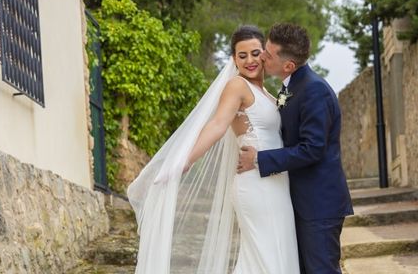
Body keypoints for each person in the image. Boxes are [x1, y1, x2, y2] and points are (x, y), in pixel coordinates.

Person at [127, 25, 300, 274]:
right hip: (257, 186)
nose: (250, 60)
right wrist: (184, 160)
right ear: (234, 60)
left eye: (254, 53)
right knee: (266, 259)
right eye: (242, 56)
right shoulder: (237, 86)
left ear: (264, 54)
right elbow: (218, 124)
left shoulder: (270, 95)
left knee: (274, 257)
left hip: (278, 186)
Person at [238, 23, 353, 274]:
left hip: (319, 205)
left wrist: (260, 159)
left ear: (288, 65)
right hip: (301, 201)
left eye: (267, 54)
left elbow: (312, 149)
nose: (261, 57)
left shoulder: (314, 90)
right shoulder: (291, 86)